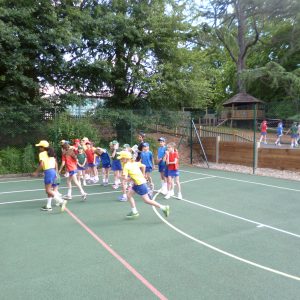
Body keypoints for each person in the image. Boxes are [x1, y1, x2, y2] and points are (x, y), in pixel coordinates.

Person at [117, 151, 170, 219]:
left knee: (146, 200)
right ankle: (134, 211)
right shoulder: (134, 163)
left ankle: (163, 207)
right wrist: (143, 174)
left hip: (140, 184)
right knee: (129, 195)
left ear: (126, 158)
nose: (120, 159)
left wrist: (119, 176)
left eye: (122, 158)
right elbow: (143, 166)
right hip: (137, 183)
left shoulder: (126, 166)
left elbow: (124, 178)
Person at [32, 140, 66, 212]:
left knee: (48, 191)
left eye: (40, 147)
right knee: (50, 190)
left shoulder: (42, 154)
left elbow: (42, 164)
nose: (39, 148)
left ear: (43, 148)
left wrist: (36, 172)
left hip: (48, 172)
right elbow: (56, 163)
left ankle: (61, 201)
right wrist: (56, 172)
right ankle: (48, 206)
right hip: (53, 171)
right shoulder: (51, 153)